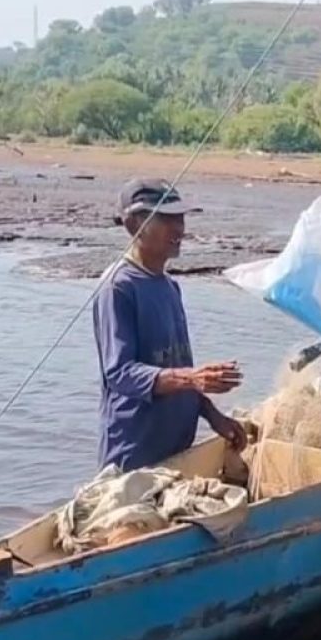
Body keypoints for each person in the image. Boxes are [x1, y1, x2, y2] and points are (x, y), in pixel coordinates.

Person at [94, 177, 247, 472]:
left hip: (176, 451)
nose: (178, 228)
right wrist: (192, 378)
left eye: (180, 218)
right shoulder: (118, 287)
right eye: (165, 218)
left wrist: (212, 414)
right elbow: (120, 373)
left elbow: (175, 364)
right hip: (134, 456)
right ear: (134, 225)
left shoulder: (169, 286)